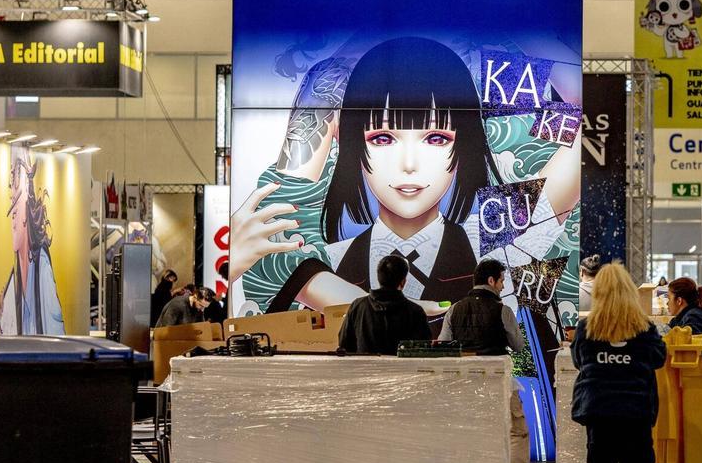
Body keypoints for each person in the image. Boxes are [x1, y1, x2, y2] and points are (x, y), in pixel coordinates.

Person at [233, 38, 581, 318]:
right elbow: (280, 230)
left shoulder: (491, 238)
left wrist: (515, 18)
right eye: (382, 138)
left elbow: (582, 116)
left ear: (464, 148)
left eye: (436, 139)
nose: (409, 164)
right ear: (351, 144)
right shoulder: (329, 260)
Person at [571, 263, 667, 463]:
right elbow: (658, 358)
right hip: (635, 412)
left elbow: (578, 361)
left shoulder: (587, 327)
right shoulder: (644, 326)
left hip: (598, 412)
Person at [439, 258, 542, 463]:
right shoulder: (503, 310)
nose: (503, 287)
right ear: (491, 280)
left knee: (469, 430)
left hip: (464, 383)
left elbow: (444, 345)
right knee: (516, 430)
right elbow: (517, 345)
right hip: (499, 381)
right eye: (502, 281)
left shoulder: (455, 309)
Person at [0, 146, 65, 335]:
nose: (12, 194)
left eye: (18, 173)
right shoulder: (11, 288)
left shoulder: (43, 270)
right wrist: (2, 318)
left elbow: (57, 345)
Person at [337, 254, 431, 355]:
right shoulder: (416, 312)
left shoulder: (358, 306)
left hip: (365, 370)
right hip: (404, 370)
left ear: (378, 278)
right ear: (403, 282)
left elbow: (344, 345)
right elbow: (424, 350)